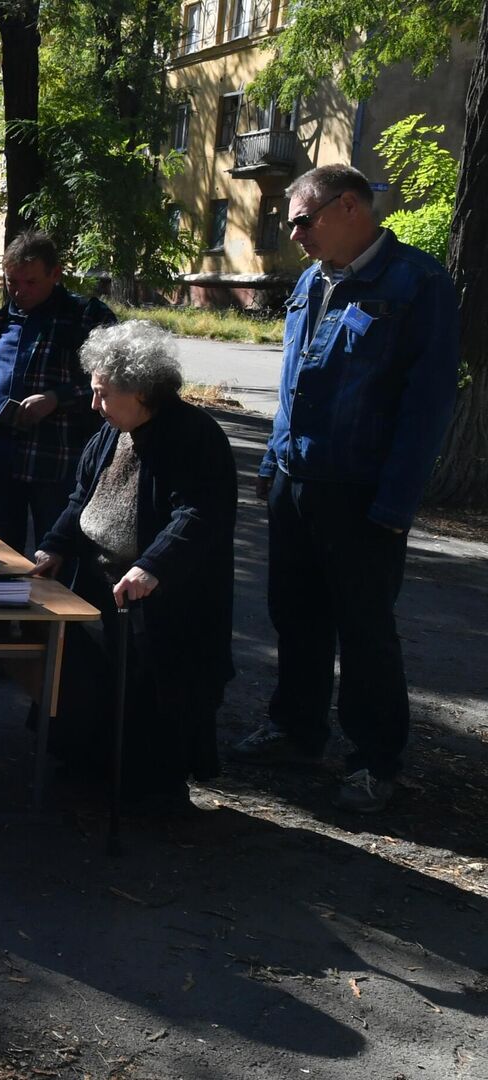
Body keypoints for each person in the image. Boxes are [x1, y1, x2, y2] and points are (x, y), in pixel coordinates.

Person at [232, 164, 461, 813]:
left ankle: (374, 761)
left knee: (364, 629)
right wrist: (274, 466)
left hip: (362, 494)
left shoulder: (416, 284)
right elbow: (291, 385)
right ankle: (296, 731)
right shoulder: (310, 281)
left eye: (302, 218)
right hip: (297, 483)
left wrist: (395, 503)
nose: (292, 232)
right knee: (295, 617)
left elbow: (427, 406)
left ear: (351, 207)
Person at [32, 322, 238, 810]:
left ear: (142, 390)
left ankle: (151, 794)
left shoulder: (195, 437)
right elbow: (82, 498)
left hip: (165, 598)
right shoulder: (109, 432)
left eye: (103, 393)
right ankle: (91, 768)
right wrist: (53, 548)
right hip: (100, 582)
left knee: (153, 695)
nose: (94, 404)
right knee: (92, 682)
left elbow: (199, 513)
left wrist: (152, 566)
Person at [0, 230, 118, 554]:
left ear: (55, 275)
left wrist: (58, 397)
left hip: (57, 462)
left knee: (59, 556)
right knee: (1, 558)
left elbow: (117, 382)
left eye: (30, 282)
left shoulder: (87, 317)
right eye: (12, 282)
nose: (19, 292)